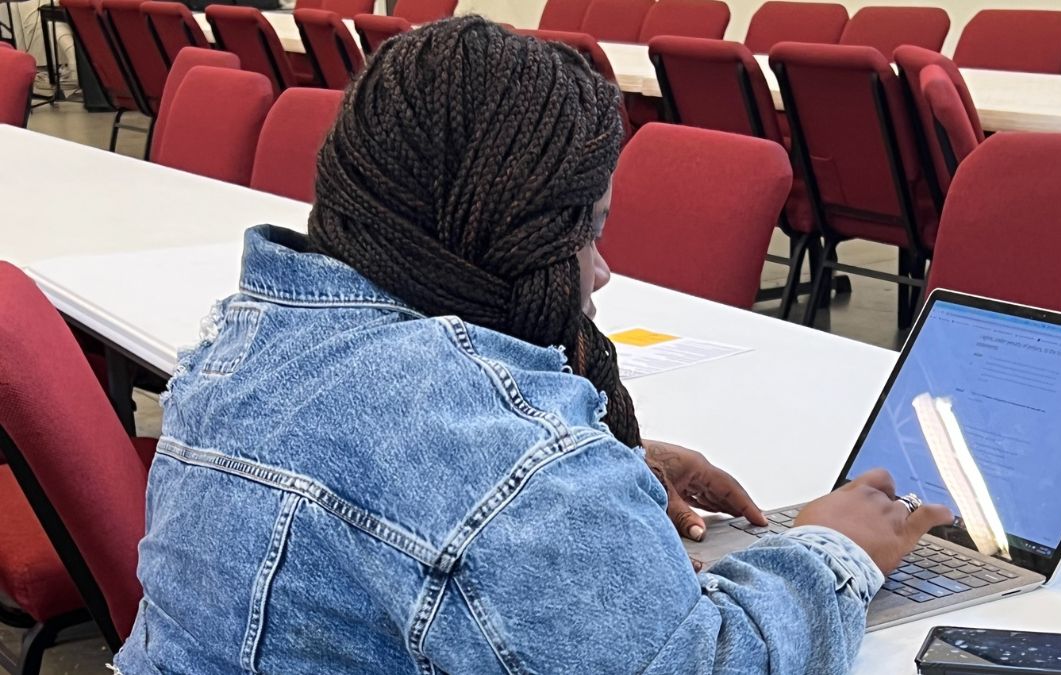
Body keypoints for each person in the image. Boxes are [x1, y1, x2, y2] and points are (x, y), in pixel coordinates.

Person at [112, 16, 951, 674]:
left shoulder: (245, 337)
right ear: (503, 233)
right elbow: (706, 661)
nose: (604, 271)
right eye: (588, 234)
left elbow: (404, 485)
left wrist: (601, 474)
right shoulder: (496, 464)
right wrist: (836, 546)